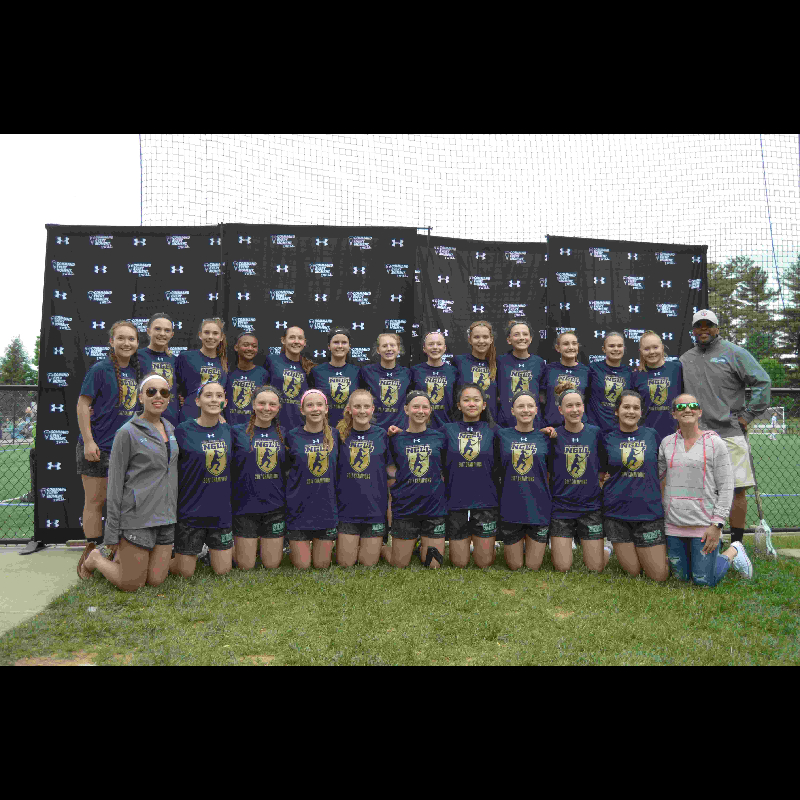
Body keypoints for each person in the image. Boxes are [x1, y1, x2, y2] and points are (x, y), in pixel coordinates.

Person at [680, 309, 771, 544]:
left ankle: (737, 544)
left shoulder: (734, 353)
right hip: (698, 436)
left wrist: (748, 416)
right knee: (704, 491)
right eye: (699, 326)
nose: (703, 329)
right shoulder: (685, 359)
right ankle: (711, 540)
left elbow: (762, 382)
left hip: (730, 432)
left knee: (737, 490)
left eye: (708, 325)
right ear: (693, 330)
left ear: (717, 328)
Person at [80, 373, 178, 590]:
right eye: (151, 391)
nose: (158, 396)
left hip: (166, 517)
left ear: (168, 398)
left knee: (156, 580)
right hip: (137, 518)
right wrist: (112, 532)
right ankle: (95, 558)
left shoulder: (170, 429)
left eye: (164, 392)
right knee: (132, 584)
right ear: (140, 397)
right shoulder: (127, 432)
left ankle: (126, 559)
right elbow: (115, 485)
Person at [659, 393, 754, 585]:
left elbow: (726, 486)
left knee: (703, 582)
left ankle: (734, 550)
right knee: (681, 580)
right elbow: (656, 476)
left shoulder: (714, 443)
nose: (687, 409)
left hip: (704, 524)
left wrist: (717, 524)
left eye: (693, 406)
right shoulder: (666, 443)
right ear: (674, 414)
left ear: (700, 412)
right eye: (681, 407)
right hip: (673, 524)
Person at [75, 320, 143, 576]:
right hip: (99, 447)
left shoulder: (137, 371)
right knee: (95, 501)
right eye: (121, 338)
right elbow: (83, 404)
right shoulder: (100, 369)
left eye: (131, 339)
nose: (126, 343)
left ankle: (114, 550)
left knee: (124, 503)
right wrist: (89, 441)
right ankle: (91, 549)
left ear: (137, 343)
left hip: (127, 450)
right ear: (111, 342)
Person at [601, 390, 668, 581]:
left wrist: (663, 501)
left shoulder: (652, 435)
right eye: (626, 407)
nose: (631, 411)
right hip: (617, 514)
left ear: (641, 412)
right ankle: (609, 547)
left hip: (648, 513)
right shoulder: (607, 439)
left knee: (658, 576)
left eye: (636, 408)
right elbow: (601, 475)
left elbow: (662, 473)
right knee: (633, 573)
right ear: (617, 411)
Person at [171, 381, 233, 577]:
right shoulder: (183, 430)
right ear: (197, 401)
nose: (214, 400)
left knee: (223, 570)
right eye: (208, 395)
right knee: (184, 573)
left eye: (219, 396)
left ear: (225, 402)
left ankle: (206, 550)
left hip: (220, 514)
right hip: (191, 513)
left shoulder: (229, 431)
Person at [548, 388, 610, 573]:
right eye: (569, 406)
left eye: (578, 405)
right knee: (562, 567)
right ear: (560, 410)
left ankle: (606, 549)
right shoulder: (554, 436)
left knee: (595, 568)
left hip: (590, 507)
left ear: (583, 407)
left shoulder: (595, 433)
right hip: (562, 508)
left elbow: (602, 469)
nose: (574, 410)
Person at [383, 391, 448, 569]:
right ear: (406, 409)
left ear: (430, 410)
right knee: (399, 563)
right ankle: (381, 547)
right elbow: (391, 468)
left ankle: (420, 546)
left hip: (433, 509)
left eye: (425, 407)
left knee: (433, 565)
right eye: (416, 407)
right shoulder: (395, 439)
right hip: (406, 509)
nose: (420, 411)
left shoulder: (440, 437)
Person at [442, 384, 498, 569]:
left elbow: (520, 436)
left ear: (484, 405)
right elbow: (425, 437)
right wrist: (400, 433)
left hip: (485, 503)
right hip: (456, 502)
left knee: (484, 563)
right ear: (459, 405)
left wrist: (544, 433)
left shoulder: (495, 431)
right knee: (459, 563)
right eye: (466, 400)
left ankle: (488, 545)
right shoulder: (447, 430)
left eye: (476, 400)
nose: (471, 404)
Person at [230, 387, 286, 570]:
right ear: (253, 405)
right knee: (246, 566)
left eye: (272, 404)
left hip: (275, 507)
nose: (266, 408)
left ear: (278, 407)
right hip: (245, 507)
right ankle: (220, 549)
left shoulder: (285, 434)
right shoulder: (236, 432)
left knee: (271, 564)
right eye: (261, 403)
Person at [495, 391, 552, 571]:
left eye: (530, 406)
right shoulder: (502, 436)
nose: (525, 410)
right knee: (515, 565)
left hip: (538, 507)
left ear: (536, 410)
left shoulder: (546, 438)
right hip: (511, 506)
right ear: (512, 411)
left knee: (533, 566)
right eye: (520, 406)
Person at [283, 389, 338, 569]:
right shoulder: (292, 436)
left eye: (319, 405)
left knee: (322, 565)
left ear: (326, 409)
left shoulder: (336, 435)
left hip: (326, 509)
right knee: (303, 565)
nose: (315, 409)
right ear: (302, 410)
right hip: (299, 509)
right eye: (310, 405)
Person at [335, 389, 390, 567]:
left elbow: (391, 472)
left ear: (372, 409)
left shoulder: (382, 435)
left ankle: (382, 547)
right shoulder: (338, 436)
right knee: (346, 563)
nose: (362, 411)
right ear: (349, 409)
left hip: (374, 510)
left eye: (366, 406)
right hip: (346, 511)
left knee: (368, 563)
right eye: (357, 406)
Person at [632, 330, 683, 443]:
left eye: (655, 347)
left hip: (676, 437)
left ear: (662, 348)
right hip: (648, 438)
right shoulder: (636, 376)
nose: (652, 352)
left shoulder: (677, 369)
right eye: (646, 349)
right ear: (641, 351)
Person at [176, 317, 228, 422]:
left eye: (215, 333)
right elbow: (175, 386)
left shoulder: (224, 363)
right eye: (207, 332)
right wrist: (180, 398)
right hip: (190, 416)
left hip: (215, 418)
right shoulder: (186, 357)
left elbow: (223, 395)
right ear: (200, 335)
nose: (210, 337)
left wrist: (220, 412)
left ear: (221, 337)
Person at [496, 319, 545, 429]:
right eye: (516, 334)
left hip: (533, 424)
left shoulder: (539, 363)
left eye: (525, 334)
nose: (521, 338)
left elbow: (542, 395)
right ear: (509, 340)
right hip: (506, 424)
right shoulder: (500, 362)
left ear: (530, 339)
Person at [266, 325, 315, 433]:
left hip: (300, 427)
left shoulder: (309, 367)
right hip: (274, 425)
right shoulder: (272, 361)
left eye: (300, 338)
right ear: (283, 340)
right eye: (292, 337)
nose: (296, 341)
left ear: (304, 342)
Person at [359, 332, 412, 431]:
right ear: (378, 350)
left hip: (399, 430)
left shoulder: (407, 373)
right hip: (374, 429)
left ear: (398, 349)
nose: (389, 349)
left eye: (392, 345)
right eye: (384, 346)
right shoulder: (367, 372)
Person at [310, 327, 361, 427]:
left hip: (351, 428)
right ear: (329, 346)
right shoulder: (316, 372)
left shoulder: (357, 372)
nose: (340, 346)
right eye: (336, 342)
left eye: (344, 342)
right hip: (323, 428)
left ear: (349, 346)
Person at [137, 313, 180, 426]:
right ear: (148, 331)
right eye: (157, 329)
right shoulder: (136, 357)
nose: (162, 333)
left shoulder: (176, 360)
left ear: (172, 334)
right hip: (144, 423)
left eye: (167, 330)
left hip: (171, 422)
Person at [586, 332, 633, 433]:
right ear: (604, 349)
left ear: (624, 348)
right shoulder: (593, 369)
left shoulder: (629, 373)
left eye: (619, 346)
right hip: (594, 430)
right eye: (611, 346)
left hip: (619, 432)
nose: (616, 349)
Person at [541, 330, 589, 428]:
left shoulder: (586, 371)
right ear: (558, 348)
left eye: (574, 344)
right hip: (553, 427)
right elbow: (541, 398)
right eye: (566, 344)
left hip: (578, 427)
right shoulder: (548, 370)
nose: (571, 347)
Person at [410, 330, 457, 428]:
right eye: (431, 344)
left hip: (447, 427)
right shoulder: (415, 371)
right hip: (421, 428)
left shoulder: (453, 371)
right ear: (424, 348)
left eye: (439, 344)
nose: (435, 347)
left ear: (445, 348)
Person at [453, 320, 498, 420]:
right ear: (470, 340)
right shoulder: (459, 361)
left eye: (485, 337)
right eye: (476, 337)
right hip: (463, 421)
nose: (481, 341)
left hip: (490, 423)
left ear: (491, 339)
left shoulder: (497, 364)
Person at [226, 331, 269, 427]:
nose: (250, 349)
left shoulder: (263, 374)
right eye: (246, 345)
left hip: (253, 428)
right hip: (229, 428)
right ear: (236, 347)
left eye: (254, 346)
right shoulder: (227, 372)